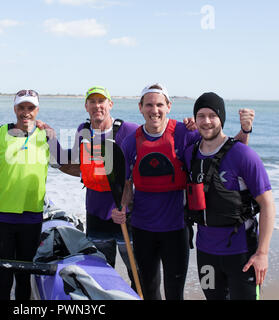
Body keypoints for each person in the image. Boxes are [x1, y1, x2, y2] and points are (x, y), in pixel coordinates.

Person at [111, 83, 254, 300]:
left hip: (176, 229)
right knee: (148, 290)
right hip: (142, 229)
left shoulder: (184, 134)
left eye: (160, 104)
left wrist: (245, 131)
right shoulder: (131, 141)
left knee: (174, 293)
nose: (154, 110)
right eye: (149, 105)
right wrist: (122, 207)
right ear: (140, 107)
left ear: (169, 106)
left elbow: (227, 151)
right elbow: (128, 184)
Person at [184, 92, 275, 300]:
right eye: (200, 115)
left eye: (212, 115)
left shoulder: (243, 155)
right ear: (194, 119)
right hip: (206, 253)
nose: (206, 121)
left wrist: (262, 254)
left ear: (221, 119)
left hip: (242, 253)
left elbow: (268, 205)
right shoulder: (190, 154)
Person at [0, 89, 57, 300]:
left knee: (23, 277)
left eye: (31, 108)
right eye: (22, 107)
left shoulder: (46, 136)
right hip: (1, 217)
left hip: (32, 216)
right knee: (4, 279)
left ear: (37, 110)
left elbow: (66, 164)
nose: (26, 112)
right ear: (15, 109)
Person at [58, 86, 140, 285]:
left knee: (137, 273)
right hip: (95, 214)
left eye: (101, 101)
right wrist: (49, 138)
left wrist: (125, 206)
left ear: (110, 104)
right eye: (92, 102)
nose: (97, 106)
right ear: (86, 106)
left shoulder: (130, 130)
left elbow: (140, 170)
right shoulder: (82, 130)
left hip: (124, 216)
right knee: (101, 275)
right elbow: (77, 166)